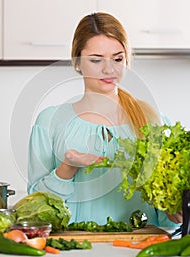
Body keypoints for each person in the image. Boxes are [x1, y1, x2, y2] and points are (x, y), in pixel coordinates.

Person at [27, 12, 182, 227]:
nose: (109, 69)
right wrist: (67, 167)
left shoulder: (154, 120)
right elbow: (35, 211)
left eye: (117, 59)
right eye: (96, 60)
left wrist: (174, 209)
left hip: (140, 247)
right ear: (77, 62)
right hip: (74, 248)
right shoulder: (50, 121)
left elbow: (168, 220)